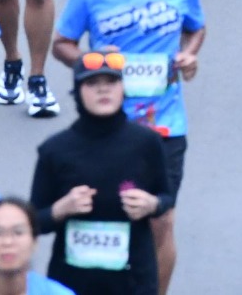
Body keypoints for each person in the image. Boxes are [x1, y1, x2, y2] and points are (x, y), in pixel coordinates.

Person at [48, 0, 201, 295]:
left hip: (164, 125)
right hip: (107, 129)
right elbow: (62, 44)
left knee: (160, 220)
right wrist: (93, 62)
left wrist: (188, 54)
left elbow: (195, 27)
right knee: (107, 217)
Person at [27, 49, 173, 295]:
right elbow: (33, 222)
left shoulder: (147, 143)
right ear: (78, 91)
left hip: (134, 280)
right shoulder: (55, 150)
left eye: (111, 82)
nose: (103, 90)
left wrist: (152, 204)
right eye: (92, 83)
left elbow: (166, 197)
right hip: (71, 283)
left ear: (123, 88)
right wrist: (61, 209)